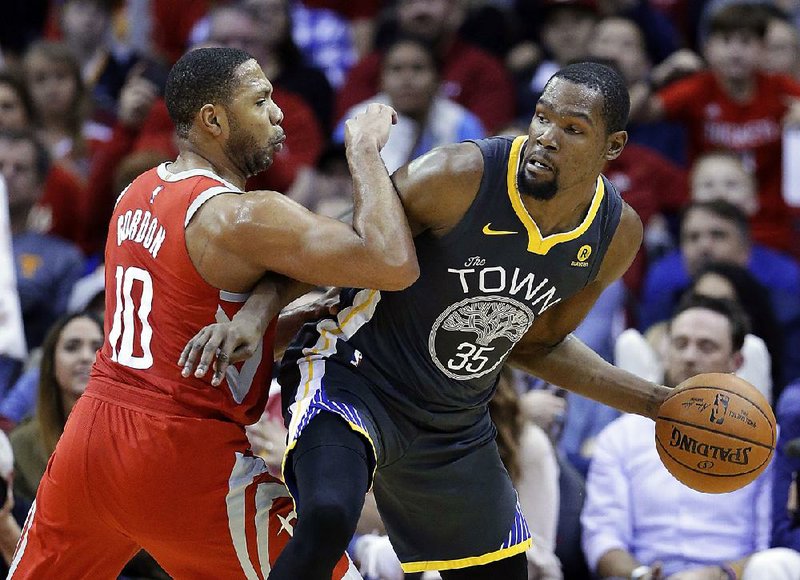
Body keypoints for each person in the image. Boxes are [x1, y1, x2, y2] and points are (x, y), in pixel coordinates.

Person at [187, 61, 675, 579]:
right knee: (329, 514)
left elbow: (538, 345)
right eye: (541, 117)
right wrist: (257, 315)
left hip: (453, 418)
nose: (546, 138)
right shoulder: (459, 176)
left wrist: (656, 403)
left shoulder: (614, 234)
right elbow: (335, 248)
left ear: (614, 146)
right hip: (355, 376)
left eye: (572, 129)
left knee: (505, 573)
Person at [8, 46, 417, 578]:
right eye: (261, 100)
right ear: (215, 119)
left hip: (91, 438)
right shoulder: (238, 215)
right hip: (176, 452)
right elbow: (391, 262)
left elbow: (189, 338)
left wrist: (263, 316)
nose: (278, 114)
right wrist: (362, 150)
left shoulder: (136, 193)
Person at [582, 294, 800, 579]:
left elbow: (768, 540)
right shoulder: (620, 436)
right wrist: (640, 574)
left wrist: (718, 574)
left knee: (776, 565)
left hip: (734, 575)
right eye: (680, 343)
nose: (689, 356)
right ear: (665, 349)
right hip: (643, 574)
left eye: (706, 346)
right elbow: (602, 534)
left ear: (736, 360)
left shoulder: (768, 441)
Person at [333, 35, 486, 173]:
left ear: (438, 79)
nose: (407, 79)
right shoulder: (357, 120)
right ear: (381, 81)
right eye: (396, 69)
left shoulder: (462, 124)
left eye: (418, 68)